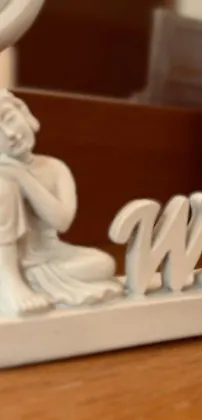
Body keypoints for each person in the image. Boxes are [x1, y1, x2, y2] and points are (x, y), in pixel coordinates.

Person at [0, 90, 122, 316]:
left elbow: (62, 221)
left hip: (50, 256)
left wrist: (24, 178)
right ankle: (10, 281)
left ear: (24, 113)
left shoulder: (55, 168)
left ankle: (30, 279)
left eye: (9, 118)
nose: (10, 134)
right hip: (7, 260)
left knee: (104, 263)